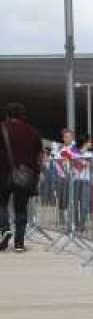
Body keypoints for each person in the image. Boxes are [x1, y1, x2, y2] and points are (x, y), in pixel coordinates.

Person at [0, 103, 42, 253]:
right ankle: (19, 243)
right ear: (22, 116)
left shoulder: (2, 128)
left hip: (3, 173)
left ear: (8, 115)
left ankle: (4, 229)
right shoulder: (33, 132)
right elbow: (39, 155)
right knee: (21, 209)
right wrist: (36, 173)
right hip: (25, 175)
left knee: (2, 204)